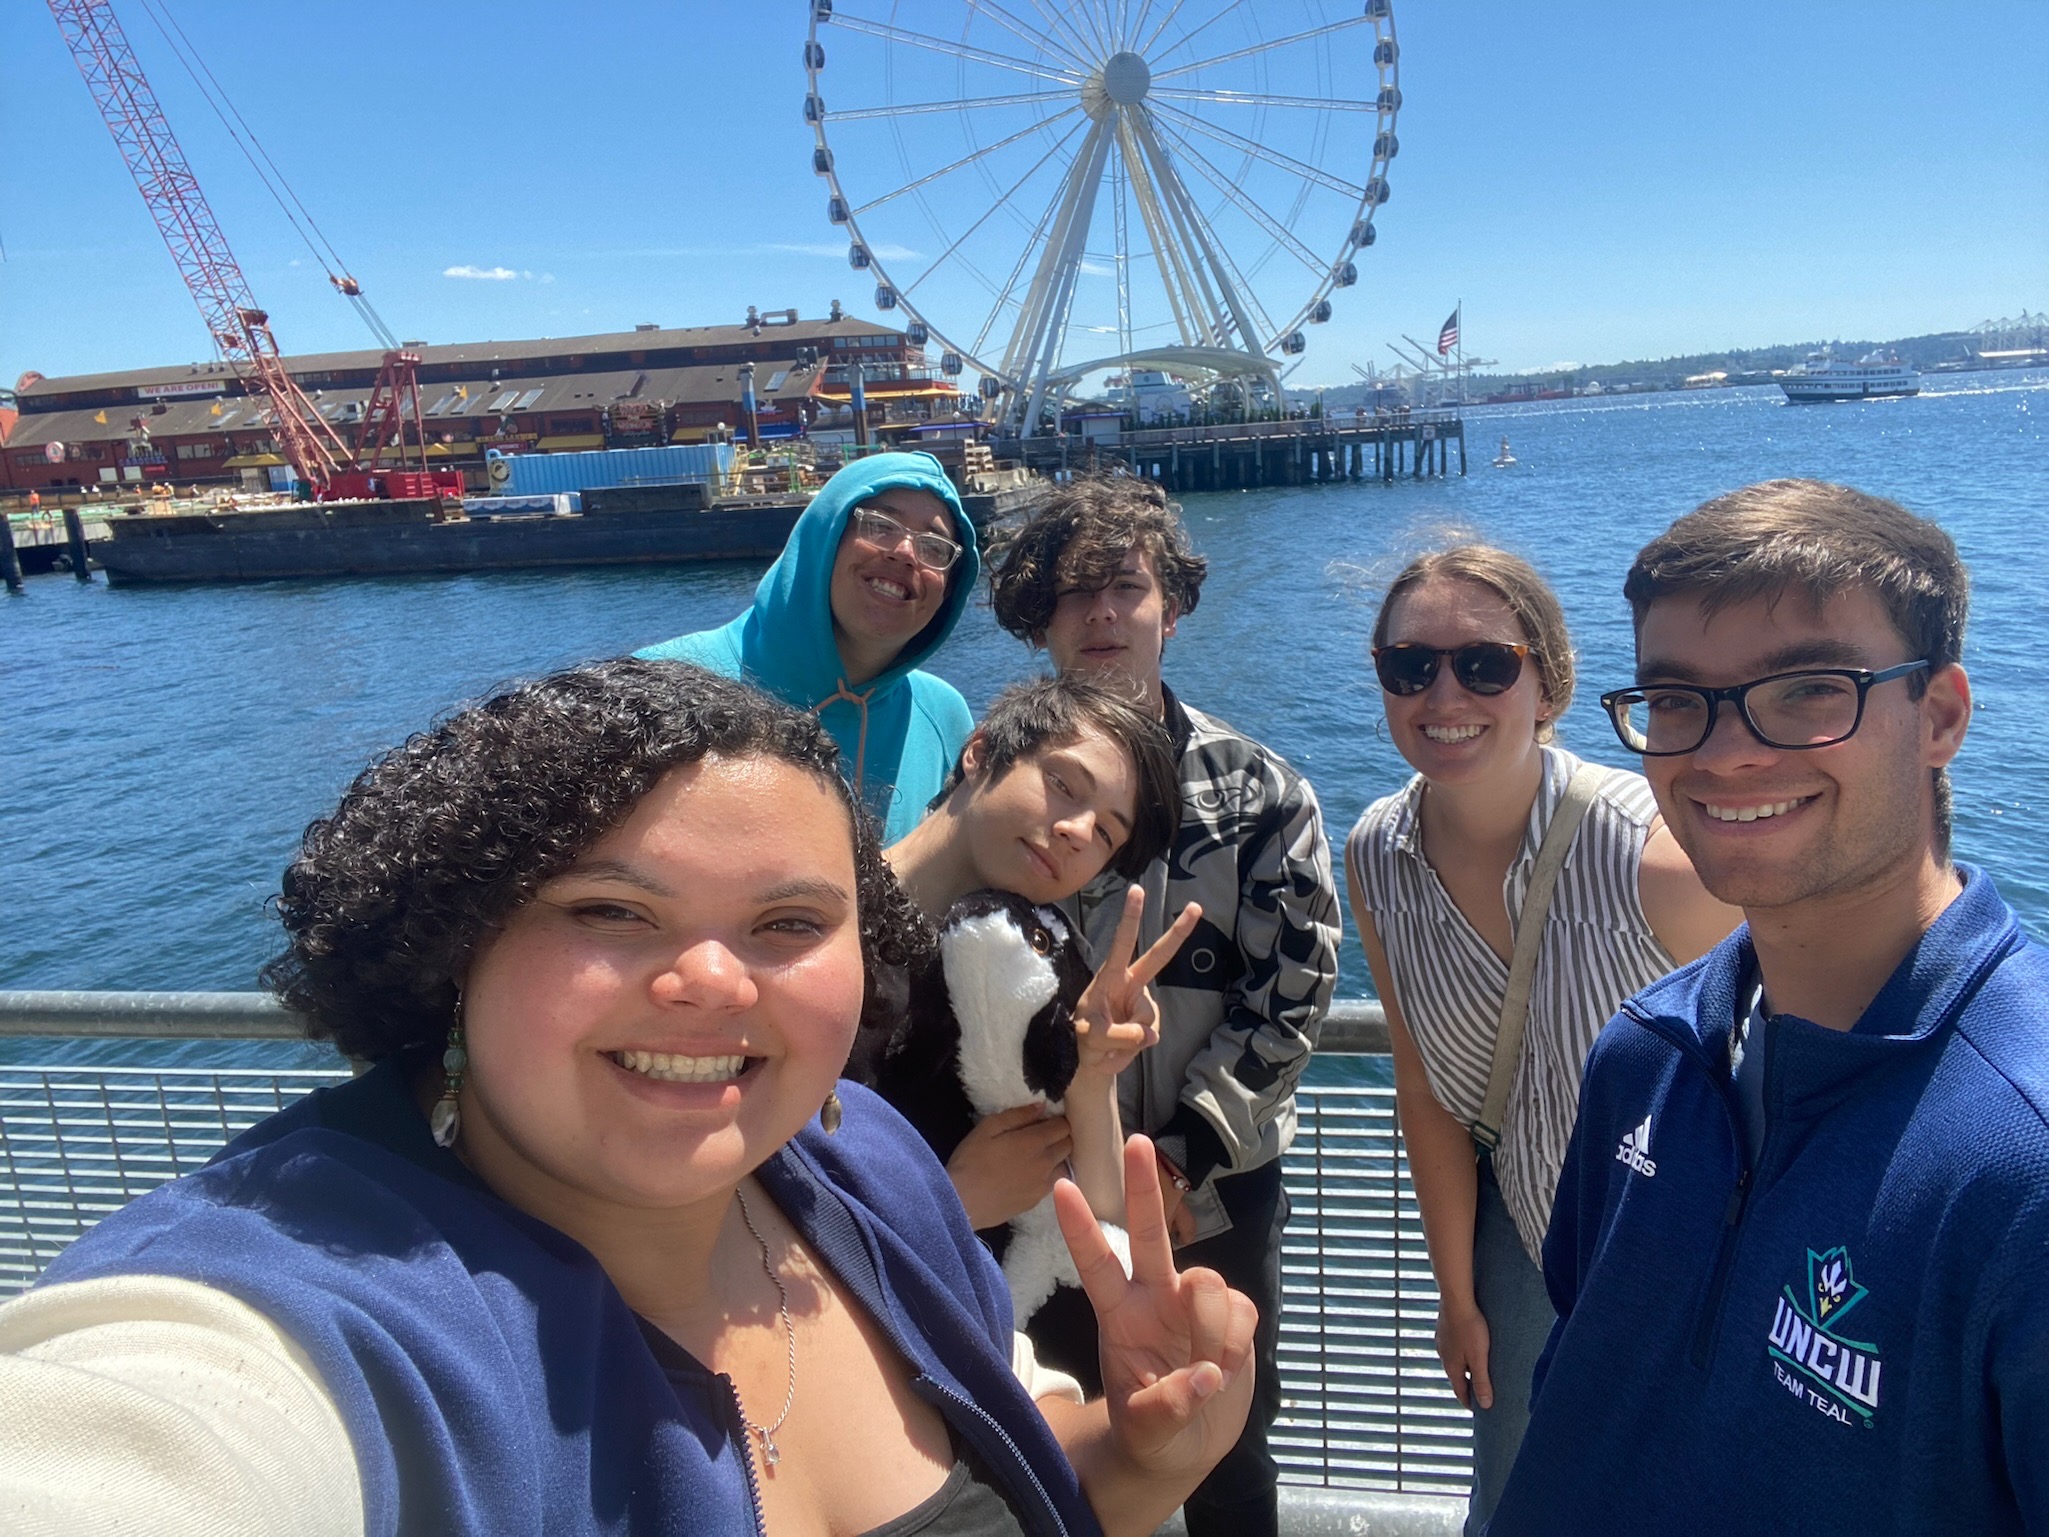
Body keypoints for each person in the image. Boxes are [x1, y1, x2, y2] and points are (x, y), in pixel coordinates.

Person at [0, 660, 1259, 1537]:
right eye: (610, 910)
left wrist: (1143, 1451)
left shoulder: (867, 1165)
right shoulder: (310, 1321)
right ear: (453, 948)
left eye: (788, 922)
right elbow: (142, 1448)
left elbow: (1037, 1470)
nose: (713, 979)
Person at [1490, 481, 2049, 1534]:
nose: (1722, 752)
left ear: (1940, 716)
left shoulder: (2022, 1162)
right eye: (1675, 699)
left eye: (1806, 690)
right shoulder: (1644, 1050)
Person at [1343, 544, 1738, 1533]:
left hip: (1674, 1247)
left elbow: (1781, 1068)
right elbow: (1425, 1090)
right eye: (1410, 665)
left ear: (1548, 683)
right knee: (1514, 1500)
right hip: (1522, 1238)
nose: (1444, 694)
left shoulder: (1654, 859)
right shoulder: (1377, 854)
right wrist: (1456, 1296)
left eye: (1485, 664)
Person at [988, 475, 1340, 1537]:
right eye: (1074, 590)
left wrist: (1182, 1156)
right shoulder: (989, 789)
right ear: (1040, 618)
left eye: (1126, 587)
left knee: (1226, 1433)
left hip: (1216, 1188)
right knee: (1048, 1428)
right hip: (1039, 1186)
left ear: (1170, 609)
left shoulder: (1259, 790)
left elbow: (1293, 993)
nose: (1101, 612)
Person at [872, 674, 1193, 1380]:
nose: (1077, 831)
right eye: (1063, 784)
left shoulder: (1036, 957)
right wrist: (955, 1203)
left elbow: (1101, 1212)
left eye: (1106, 833)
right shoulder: (821, 931)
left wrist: (1092, 1072)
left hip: (983, 1355)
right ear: (979, 753)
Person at [637, 450, 979, 841]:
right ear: (824, 536)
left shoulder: (944, 718)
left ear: (949, 589)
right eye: (880, 525)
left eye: (934, 547)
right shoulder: (660, 686)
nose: (904, 553)